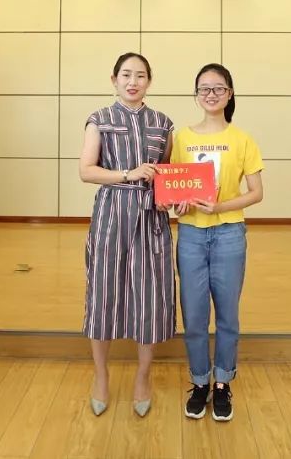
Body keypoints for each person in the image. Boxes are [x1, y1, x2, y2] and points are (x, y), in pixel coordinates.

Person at [78, 52, 175, 418]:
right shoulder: (99, 119)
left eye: (140, 76)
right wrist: (128, 174)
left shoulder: (163, 124)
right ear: (114, 79)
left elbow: (168, 175)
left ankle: (143, 378)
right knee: (103, 294)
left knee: (150, 297)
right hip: (111, 216)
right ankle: (101, 376)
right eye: (126, 75)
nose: (133, 82)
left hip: (151, 219)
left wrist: (172, 197)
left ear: (149, 81)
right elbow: (87, 171)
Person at [171, 63, 263, 422]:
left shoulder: (243, 139)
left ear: (229, 94)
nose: (211, 94)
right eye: (204, 88)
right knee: (194, 316)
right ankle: (199, 382)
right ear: (196, 95)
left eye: (218, 88)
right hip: (191, 235)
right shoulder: (181, 138)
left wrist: (221, 206)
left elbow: (256, 192)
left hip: (229, 234)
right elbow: (173, 188)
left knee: (227, 315)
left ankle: (222, 383)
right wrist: (177, 203)